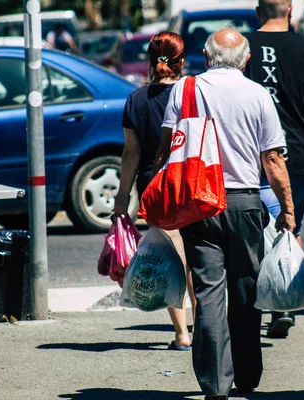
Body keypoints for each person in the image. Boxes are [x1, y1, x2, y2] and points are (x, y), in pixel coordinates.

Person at [157, 28, 296, 399]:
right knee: (246, 290)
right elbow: (272, 158)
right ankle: (247, 376)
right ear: (247, 60)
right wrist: (287, 209)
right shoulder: (259, 95)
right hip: (244, 202)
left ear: (206, 55)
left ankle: (215, 384)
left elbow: (168, 148)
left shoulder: (184, 90)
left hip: (198, 205)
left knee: (208, 292)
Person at [244, 0, 304, 339]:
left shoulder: (242, 47)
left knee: (251, 230)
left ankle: (252, 303)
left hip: (250, 154)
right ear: (290, 12)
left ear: (258, 13)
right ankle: (283, 300)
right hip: (297, 153)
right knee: (290, 222)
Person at [113, 31, 196, 351]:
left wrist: (123, 196)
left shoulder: (136, 100)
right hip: (192, 180)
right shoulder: (196, 92)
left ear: (151, 62)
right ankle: (204, 326)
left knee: (169, 255)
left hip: (155, 185)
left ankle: (181, 333)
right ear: (182, 61)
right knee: (197, 256)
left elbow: (131, 152)